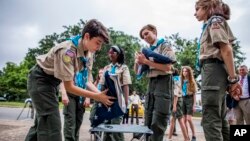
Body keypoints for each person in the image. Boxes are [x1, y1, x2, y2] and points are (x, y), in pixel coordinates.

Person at [25, 19, 115, 141]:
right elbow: (69, 87)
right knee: (52, 126)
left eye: (101, 45)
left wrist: (100, 95)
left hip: (53, 82)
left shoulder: (89, 54)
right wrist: (97, 97)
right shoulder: (67, 52)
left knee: (43, 123)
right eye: (98, 43)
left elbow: (87, 80)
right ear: (87, 36)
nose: (99, 48)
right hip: (40, 79)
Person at [194, 0, 242, 140]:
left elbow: (226, 50)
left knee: (211, 119)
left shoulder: (214, 21)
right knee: (220, 118)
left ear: (207, 7)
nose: (195, 13)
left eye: (197, 9)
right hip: (215, 70)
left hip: (212, 70)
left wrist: (233, 79)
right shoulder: (210, 23)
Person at [134, 24, 176, 141]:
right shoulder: (147, 51)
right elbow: (137, 72)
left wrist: (147, 62)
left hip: (163, 82)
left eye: (147, 33)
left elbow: (168, 67)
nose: (145, 37)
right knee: (148, 117)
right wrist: (138, 62)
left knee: (158, 120)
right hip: (151, 83)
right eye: (143, 36)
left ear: (154, 31)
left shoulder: (164, 45)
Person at [93, 45, 132, 141]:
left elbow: (125, 85)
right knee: (106, 126)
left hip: (118, 101)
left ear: (118, 54)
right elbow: (102, 84)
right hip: (106, 100)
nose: (110, 54)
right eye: (109, 52)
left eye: (113, 52)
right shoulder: (106, 68)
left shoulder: (124, 67)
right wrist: (100, 99)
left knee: (116, 126)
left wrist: (126, 102)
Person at [168, 69, 189, 141]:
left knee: (180, 120)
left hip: (176, 101)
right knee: (173, 121)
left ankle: (186, 138)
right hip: (176, 101)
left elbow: (176, 94)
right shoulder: (178, 79)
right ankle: (169, 138)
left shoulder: (176, 79)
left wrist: (174, 105)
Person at [180, 66, 197, 141]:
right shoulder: (181, 81)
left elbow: (194, 94)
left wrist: (194, 105)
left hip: (189, 99)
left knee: (189, 119)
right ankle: (186, 137)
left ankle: (194, 135)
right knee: (184, 121)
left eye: (186, 71)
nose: (184, 73)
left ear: (189, 72)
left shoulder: (192, 81)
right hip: (182, 99)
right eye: (183, 71)